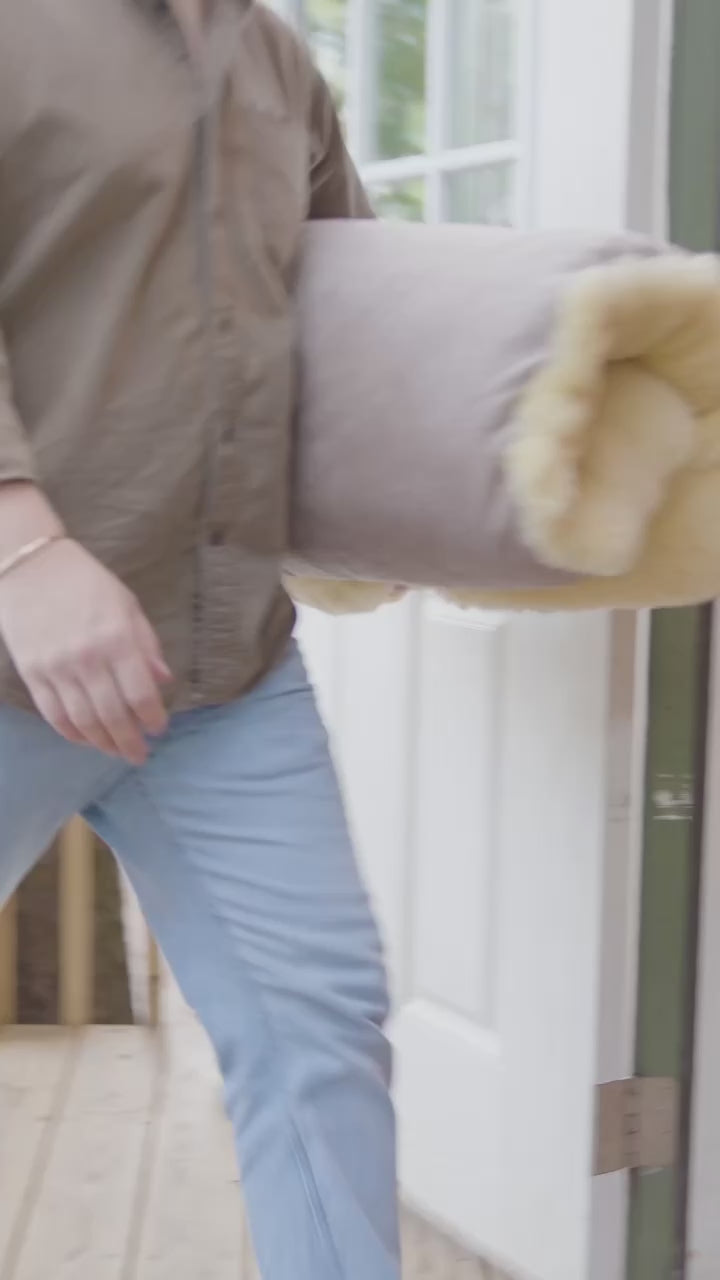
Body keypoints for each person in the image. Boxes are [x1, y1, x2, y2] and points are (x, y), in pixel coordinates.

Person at [0, 1, 400, 1276]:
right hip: (12, 640)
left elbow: (356, 305)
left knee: (319, 1032)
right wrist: (22, 547)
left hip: (223, 668)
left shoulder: (279, 57)